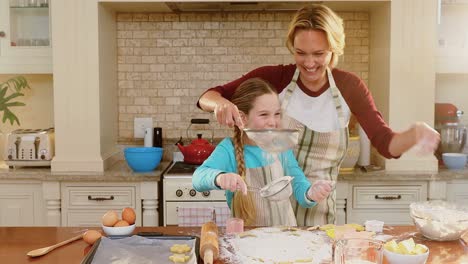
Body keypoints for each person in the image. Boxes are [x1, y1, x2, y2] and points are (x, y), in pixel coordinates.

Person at [197, 4, 440, 225]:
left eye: (319, 53)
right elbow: (208, 95)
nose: (309, 63)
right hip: (268, 219)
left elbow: (386, 144)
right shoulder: (276, 78)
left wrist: (415, 133)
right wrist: (219, 104)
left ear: (334, 49)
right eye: (301, 52)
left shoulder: (349, 87)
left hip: (318, 212)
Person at [192, 78, 333, 227]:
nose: (272, 121)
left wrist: (311, 193)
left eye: (277, 113)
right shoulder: (228, 149)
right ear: (243, 118)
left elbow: (298, 184)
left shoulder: (281, 147)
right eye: (264, 114)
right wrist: (219, 178)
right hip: (246, 241)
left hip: (284, 238)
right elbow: (197, 178)